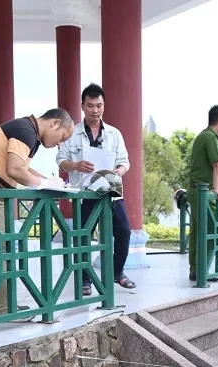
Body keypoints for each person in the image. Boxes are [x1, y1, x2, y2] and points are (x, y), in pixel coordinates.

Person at [0, 109, 74, 318]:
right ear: (54, 123)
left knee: (2, 256)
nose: (60, 144)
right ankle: (2, 310)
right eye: (63, 138)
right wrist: (44, 184)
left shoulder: (27, 130)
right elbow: (15, 170)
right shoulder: (25, 131)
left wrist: (52, 182)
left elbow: (24, 168)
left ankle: (6, 307)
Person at [57, 83, 135, 295]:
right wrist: (76, 165)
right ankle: (85, 280)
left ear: (104, 106)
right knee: (83, 236)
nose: (95, 110)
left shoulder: (114, 134)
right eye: (90, 105)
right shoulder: (72, 133)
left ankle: (117, 272)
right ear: (82, 106)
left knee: (124, 230)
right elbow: (61, 160)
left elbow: (125, 161)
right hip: (84, 192)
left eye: (99, 105)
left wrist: (118, 170)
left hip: (111, 189)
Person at [187, 105, 218, 282]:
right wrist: (217, 189)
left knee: (197, 232)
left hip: (195, 190)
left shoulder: (203, 136)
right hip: (202, 191)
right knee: (211, 230)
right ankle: (202, 270)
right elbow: (217, 165)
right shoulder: (210, 137)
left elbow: (216, 159)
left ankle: (195, 269)